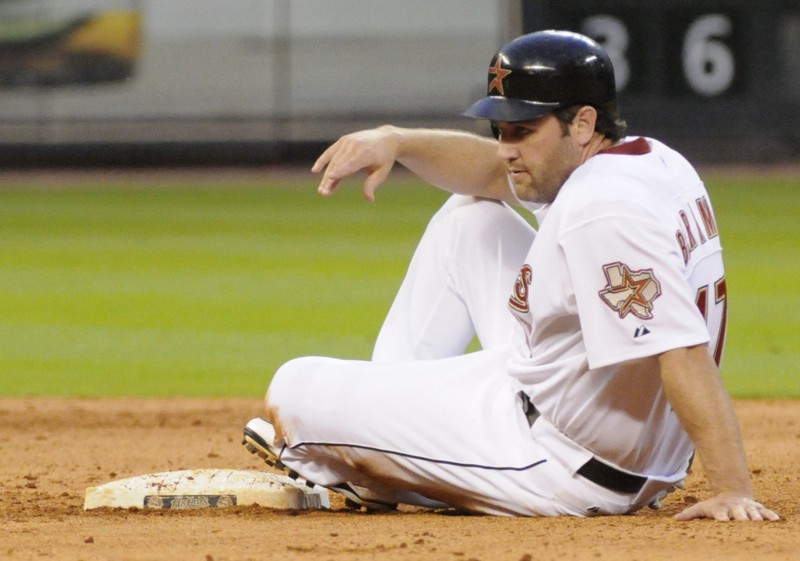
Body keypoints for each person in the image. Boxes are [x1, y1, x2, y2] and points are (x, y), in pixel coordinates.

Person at [242, 30, 779, 521]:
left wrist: (733, 488)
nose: (506, 147)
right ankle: (388, 456)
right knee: (468, 219)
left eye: (523, 130)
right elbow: (492, 172)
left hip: (561, 463)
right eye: (501, 129)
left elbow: (682, 350)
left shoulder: (603, 207)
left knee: (294, 391)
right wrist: (396, 140)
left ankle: (386, 461)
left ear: (584, 122)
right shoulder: (651, 161)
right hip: (594, 416)